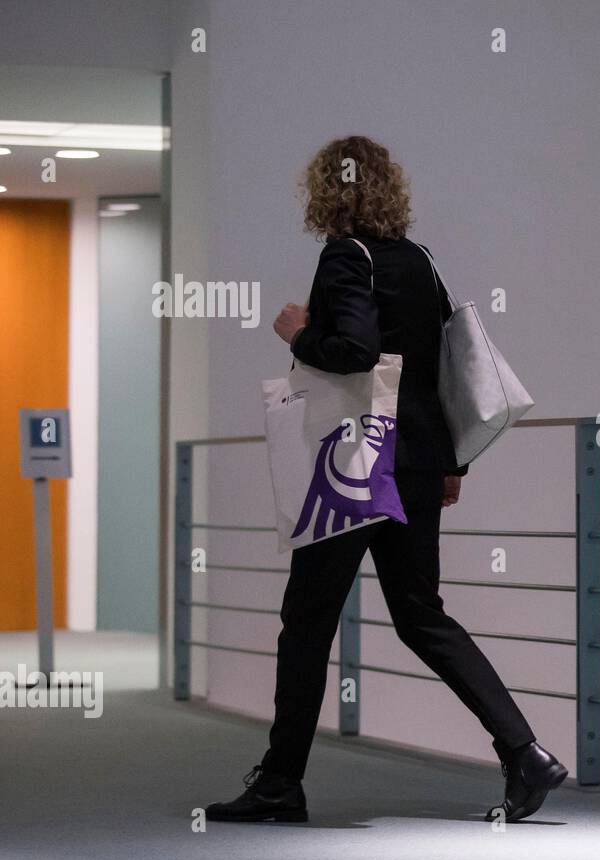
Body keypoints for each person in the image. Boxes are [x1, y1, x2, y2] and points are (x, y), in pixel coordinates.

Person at [205, 135, 566, 824]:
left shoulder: (346, 255)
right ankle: (524, 752)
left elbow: (355, 352)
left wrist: (297, 333)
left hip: (356, 462)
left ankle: (280, 783)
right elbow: (441, 370)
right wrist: (449, 465)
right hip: (418, 462)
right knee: (421, 616)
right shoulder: (420, 260)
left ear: (326, 191)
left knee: (308, 622)